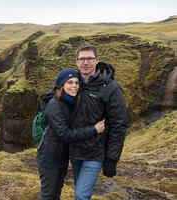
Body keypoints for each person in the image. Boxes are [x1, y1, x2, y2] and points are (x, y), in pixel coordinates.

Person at [69, 44, 129, 200]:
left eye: (90, 58)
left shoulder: (110, 88)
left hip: (95, 152)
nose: (86, 62)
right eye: (82, 59)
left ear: (97, 60)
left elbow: (119, 125)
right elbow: (55, 98)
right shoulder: (72, 84)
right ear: (76, 62)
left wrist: (112, 159)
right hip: (74, 151)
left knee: (80, 195)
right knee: (82, 193)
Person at [36, 68, 105, 200]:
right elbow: (65, 134)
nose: (74, 86)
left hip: (61, 157)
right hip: (49, 157)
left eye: (77, 83)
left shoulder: (69, 102)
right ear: (62, 85)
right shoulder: (54, 104)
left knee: (56, 193)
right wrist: (94, 129)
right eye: (69, 82)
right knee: (48, 194)